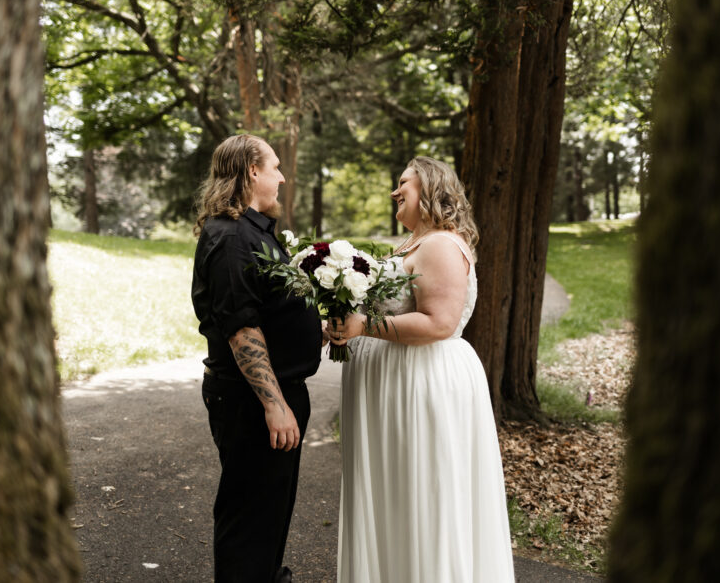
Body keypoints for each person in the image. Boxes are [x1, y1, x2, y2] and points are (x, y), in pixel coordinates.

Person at [330, 156, 515, 582]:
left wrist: (365, 326)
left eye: (403, 184)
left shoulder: (442, 246)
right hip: (390, 386)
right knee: (392, 496)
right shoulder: (409, 244)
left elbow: (440, 323)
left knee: (421, 493)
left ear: (430, 189)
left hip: (422, 383)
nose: (395, 191)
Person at [192, 134, 323, 583]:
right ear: (251, 170)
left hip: (275, 394)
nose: (282, 177)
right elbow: (240, 328)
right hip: (252, 402)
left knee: (269, 519)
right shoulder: (229, 237)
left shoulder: (254, 231)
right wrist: (273, 404)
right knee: (248, 524)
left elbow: (267, 312)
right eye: (275, 167)